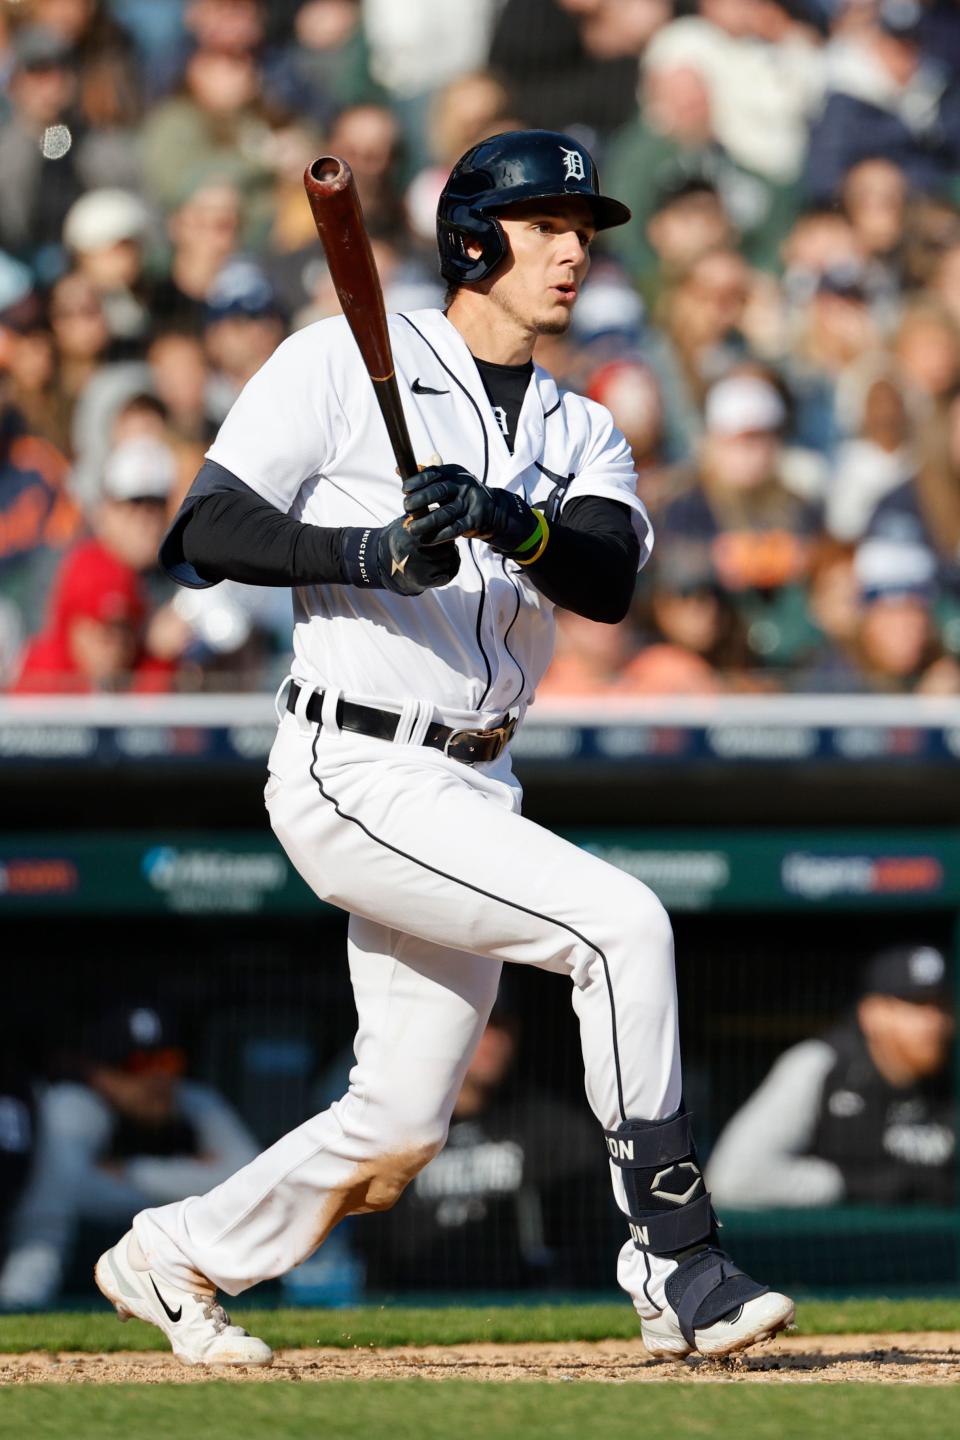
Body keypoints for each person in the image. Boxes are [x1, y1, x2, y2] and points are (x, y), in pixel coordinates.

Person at [94, 128, 794, 1366]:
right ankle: (675, 1260)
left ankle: (174, 1252)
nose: (574, 250)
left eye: (582, 230)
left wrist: (503, 518)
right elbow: (200, 531)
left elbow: (607, 577)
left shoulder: (585, 426)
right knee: (621, 925)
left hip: (477, 775)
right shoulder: (338, 360)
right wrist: (361, 552)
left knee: (398, 1123)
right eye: (545, 226)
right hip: (355, 763)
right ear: (475, 240)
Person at [356, 990, 618, 1293]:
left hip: (523, 1309)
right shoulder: (394, 1131)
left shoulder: (555, 1129)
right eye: (479, 1025)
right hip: (416, 1301)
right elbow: (371, 1246)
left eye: (502, 1026)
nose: (492, 1040)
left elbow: (591, 1244)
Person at [0, 1004, 257, 1310]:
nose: (156, 1078)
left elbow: (255, 1182)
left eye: (168, 1062)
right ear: (98, 1072)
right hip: (80, 1285)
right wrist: (200, 1184)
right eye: (137, 1064)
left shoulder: (195, 1101)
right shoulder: (72, 1107)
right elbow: (71, 1192)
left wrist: (134, 1172)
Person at [707, 945, 955, 1209]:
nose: (934, 1022)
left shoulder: (950, 1077)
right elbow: (732, 1180)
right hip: (833, 1248)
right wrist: (847, 1183)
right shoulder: (820, 1066)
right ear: (871, 1013)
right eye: (915, 1005)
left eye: (940, 1006)